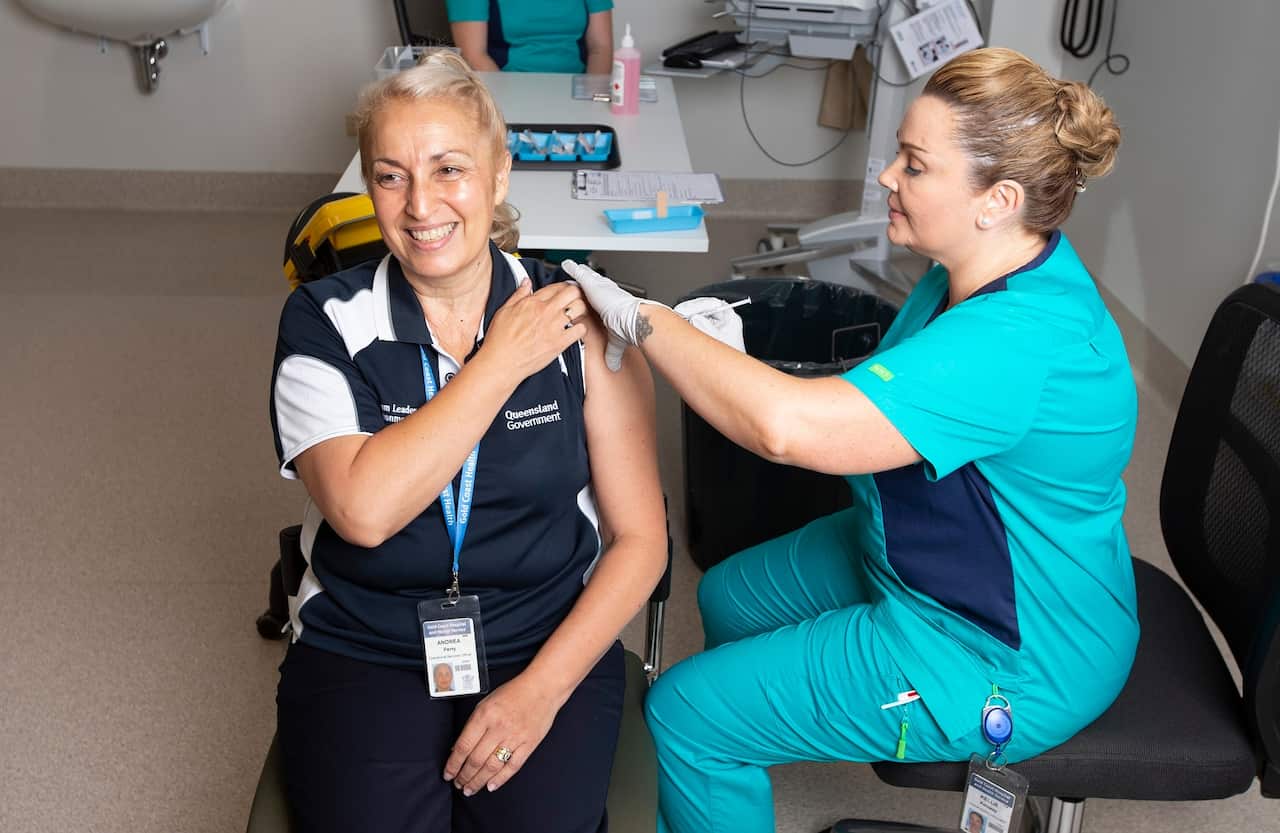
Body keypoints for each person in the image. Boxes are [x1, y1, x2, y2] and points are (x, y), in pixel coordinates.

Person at [566, 47, 1134, 833]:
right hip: (925, 556)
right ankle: (752, 744)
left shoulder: (1014, 342)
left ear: (996, 199)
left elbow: (787, 429)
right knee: (729, 594)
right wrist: (729, 358)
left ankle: (718, 749)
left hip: (999, 653)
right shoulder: (965, 271)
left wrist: (645, 318)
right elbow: (879, 395)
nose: (888, 177)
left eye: (916, 164)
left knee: (685, 716)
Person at [269, 49, 666, 833]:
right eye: (390, 175)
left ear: (499, 173)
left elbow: (640, 538)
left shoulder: (577, 314)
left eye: (449, 168)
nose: (421, 205)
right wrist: (500, 361)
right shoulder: (323, 321)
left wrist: (540, 691)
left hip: (543, 634)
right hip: (368, 639)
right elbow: (365, 511)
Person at [447, 0, 614, 75]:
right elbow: (474, 55)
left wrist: (591, 98)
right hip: (506, 88)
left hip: (575, 89)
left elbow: (600, 48)